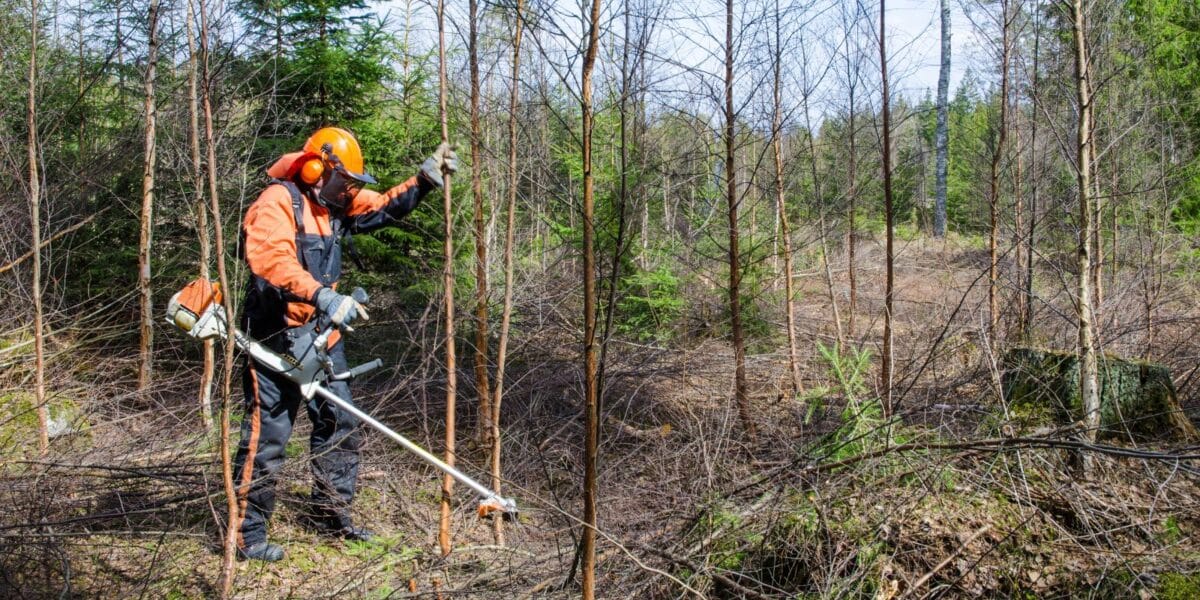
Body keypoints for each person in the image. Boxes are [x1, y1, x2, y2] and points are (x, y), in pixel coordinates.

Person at [232, 127, 457, 562]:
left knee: (340, 421)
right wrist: (323, 294)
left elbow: (380, 209)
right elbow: (269, 259)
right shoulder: (277, 202)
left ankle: (331, 515)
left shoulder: (334, 204)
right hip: (274, 337)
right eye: (342, 182)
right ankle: (248, 535)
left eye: (351, 184)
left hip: (322, 337)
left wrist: (424, 180)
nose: (347, 192)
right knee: (268, 437)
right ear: (316, 168)